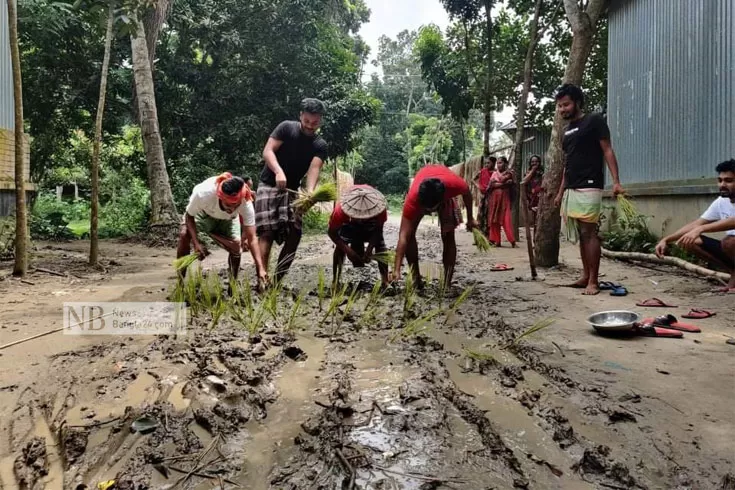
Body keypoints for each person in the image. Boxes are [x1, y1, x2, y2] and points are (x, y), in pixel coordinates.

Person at [553, 83, 624, 295]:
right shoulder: (566, 133)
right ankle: (585, 276)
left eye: (565, 104)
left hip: (591, 185)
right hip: (572, 188)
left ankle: (594, 280)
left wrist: (617, 182)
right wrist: (560, 192)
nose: (562, 109)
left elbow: (608, 150)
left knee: (589, 232)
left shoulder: (594, 121)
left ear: (577, 102)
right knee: (581, 235)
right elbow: (568, 165)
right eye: (559, 106)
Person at [255, 98, 328, 283]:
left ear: (320, 120)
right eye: (307, 121)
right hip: (269, 184)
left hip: (292, 191)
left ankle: (277, 280)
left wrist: (310, 192)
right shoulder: (286, 128)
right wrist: (278, 171)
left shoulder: (320, 145)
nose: (311, 126)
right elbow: (268, 151)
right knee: (267, 232)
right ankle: (262, 279)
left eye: (315, 122)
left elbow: (314, 169)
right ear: (301, 116)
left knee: (295, 233)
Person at [655, 159, 735, 292]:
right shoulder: (721, 201)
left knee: (729, 242)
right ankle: (733, 273)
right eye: (720, 180)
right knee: (690, 240)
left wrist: (701, 229)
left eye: (729, 181)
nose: (722, 185)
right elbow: (697, 223)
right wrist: (666, 239)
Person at [392, 164, 478, 288]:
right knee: (410, 235)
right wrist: (396, 269)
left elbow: (467, 193)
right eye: (426, 209)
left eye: (431, 209)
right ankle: (416, 279)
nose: (429, 212)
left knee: (448, 236)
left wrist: (470, 218)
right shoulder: (413, 199)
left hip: (444, 196)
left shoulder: (454, 185)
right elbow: (403, 236)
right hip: (421, 196)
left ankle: (447, 283)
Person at [177, 173, 267, 287]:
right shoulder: (204, 194)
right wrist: (196, 244)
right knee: (184, 234)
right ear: (220, 197)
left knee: (236, 248)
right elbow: (189, 217)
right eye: (228, 205)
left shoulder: (245, 201)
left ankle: (232, 285)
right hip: (204, 214)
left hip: (228, 220)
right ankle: (180, 282)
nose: (232, 208)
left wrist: (260, 268)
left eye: (236, 205)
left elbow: (252, 238)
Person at [328, 185, 389, 287]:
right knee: (342, 247)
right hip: (350, 222)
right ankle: (336, 281)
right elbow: (332, 233)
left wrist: (369, 250)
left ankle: (385, 280)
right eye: (359, 217)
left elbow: (378, 231)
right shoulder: (341, 210)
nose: (362, 220)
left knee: (381, 246)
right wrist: (348, 250)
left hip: (371, 222)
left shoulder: (379, 208)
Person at [488, 156, 516, 247]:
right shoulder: (494, 173)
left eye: (500, 163)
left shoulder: (510, 172)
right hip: (495, 199)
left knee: (506, 219)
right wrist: (503, 184)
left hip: (505, 199)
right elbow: (492, 185)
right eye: (498, 163)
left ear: (505, 163)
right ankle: (497, 241)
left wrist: (498, 183)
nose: (499, 165)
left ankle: (512, 241)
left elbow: (503, 179)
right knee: (494, 220)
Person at [473, 156, 496, 239]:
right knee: (481, 216)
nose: (486, 165)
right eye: (485, 163)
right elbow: (473, 179)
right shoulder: (482, 171)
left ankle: (489, 237)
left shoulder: (496, 173)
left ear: (494, 163)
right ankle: (479, 238)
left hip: (492, 196)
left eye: (488, 163)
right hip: (483, 197)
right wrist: (478, 186)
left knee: (489, 216)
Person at [522, 155, 544, 227]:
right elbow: (524, 182)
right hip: (532, 199)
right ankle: (535, 237)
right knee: (535, 220)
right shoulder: (528, 173)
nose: (534, 163)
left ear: (539, 162)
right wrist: (532, 171)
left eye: (536, 161)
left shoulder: (542, 173)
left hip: (542, 199)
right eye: (532, 162)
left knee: (542, 220)